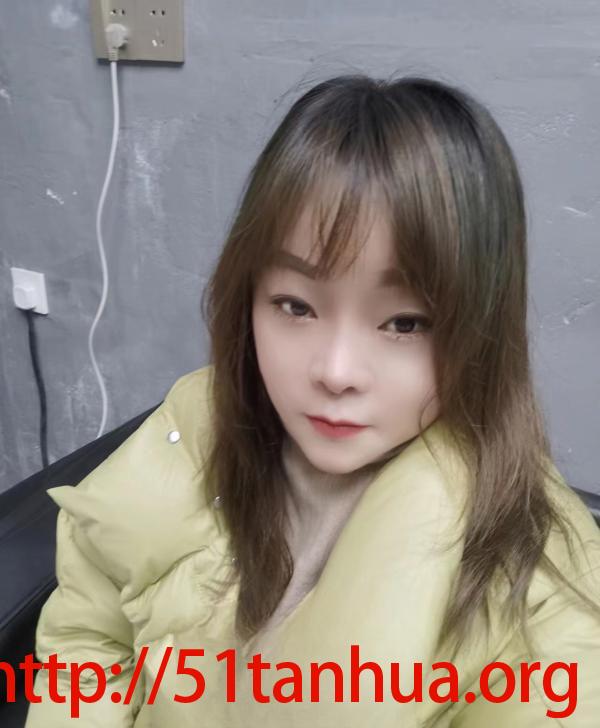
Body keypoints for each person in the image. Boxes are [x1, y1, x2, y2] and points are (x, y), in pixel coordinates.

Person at [26, 73, 600, 727]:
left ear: (481, 326)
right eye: (295, 306)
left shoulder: (544, 586)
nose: (335, 371)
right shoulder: (194, 426)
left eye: (405, 322)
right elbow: (89, 644)